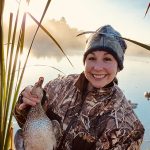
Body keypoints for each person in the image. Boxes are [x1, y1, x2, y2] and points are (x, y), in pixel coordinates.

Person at [14, 25, 145, 150]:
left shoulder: (129, 128)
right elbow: (23, 124)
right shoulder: (58, 86)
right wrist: (26, 102)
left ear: (119, 65)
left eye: (107, 59)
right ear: (85, 61)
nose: (98, 67)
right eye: (92, 58)